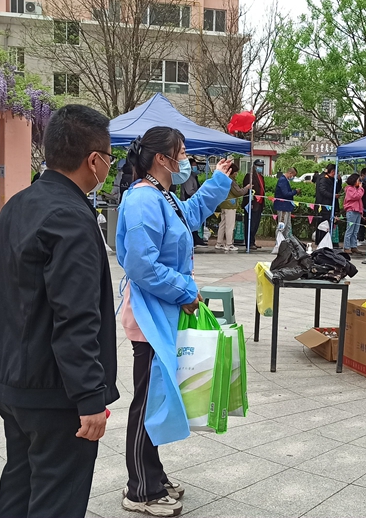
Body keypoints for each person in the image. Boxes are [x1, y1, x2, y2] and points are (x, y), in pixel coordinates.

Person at [0, 105, 118, 518]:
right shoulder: (72, 218)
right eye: (108, 159)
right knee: (56, 499)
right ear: (93, 161)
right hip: (55, 393)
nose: (108, 167)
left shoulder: (18, 204)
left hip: (11, 382)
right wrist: (90, 398)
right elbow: (76, 316)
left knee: (20, 484)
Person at [117, 127, 233, 516]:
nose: (186, 160)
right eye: (181, 153)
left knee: (158, 396)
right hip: (151, 317)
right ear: (162, 159)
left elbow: (191, 215)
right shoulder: (142, 199)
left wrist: (219, 181)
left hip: (164, 313)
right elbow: (141, 264)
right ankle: (140, 490)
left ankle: (153, 475)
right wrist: (184, 290)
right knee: (147, 401)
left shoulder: (162, 195)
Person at [217, 162, 250, 251]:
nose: (236, 174)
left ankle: (219, 243)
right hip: (230, 205)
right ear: (232, 172)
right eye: (235, 172)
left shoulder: (224, 179)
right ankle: (229, 244)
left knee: (222, 224)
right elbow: (238, 192)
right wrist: (246, 188)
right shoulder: (231, 181)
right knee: (230, 225)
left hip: (223, 204)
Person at [179, 158, 208, 248]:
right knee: (190, 220)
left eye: (196, 166)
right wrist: (199, 195)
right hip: (188, 200)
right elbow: (189, 191)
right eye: (194, 166)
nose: (196, 167)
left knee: (194, 220)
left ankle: (196, 239)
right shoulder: (188, 177)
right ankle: (194, 240)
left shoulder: (193, 176)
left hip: (193, 200)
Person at [243, 159, 266, 250]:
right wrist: (250, 202)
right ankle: (248, 242)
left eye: (261, 166)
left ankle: (252, 241)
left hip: (259, 204)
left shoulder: (261, 177)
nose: (260, 167)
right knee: (250, 224)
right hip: (252, 204)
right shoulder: (249, 176)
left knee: (255, 224)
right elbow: (247, 191)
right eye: (259, 166)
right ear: (254, 166)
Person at [315, 164, 340, 245]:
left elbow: (337, 189)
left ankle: (326, 241)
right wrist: (333, 196)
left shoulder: (331, 179)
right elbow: (322, 191)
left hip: (330, 205)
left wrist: (339, 181)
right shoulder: (323, 178)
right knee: (323, 224)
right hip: (324, 205)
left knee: (328, 224)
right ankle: (321, 241)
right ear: (332, 171)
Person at [273, 167, 300, 238]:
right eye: (293, 176)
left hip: (286, 206)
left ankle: (286, 240)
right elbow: (285, 194)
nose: (293, 177)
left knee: (287, 226)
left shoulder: (285, 180)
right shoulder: (282, 180)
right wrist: (295, 191)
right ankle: (279, 241)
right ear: (290, 173)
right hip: (283, 206)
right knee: (282, 225)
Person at [342, 173, 365, 254]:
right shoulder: (349, 189)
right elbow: (356, 196)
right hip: (351, 210)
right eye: (358, 180)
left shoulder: (356, 188)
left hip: (357, 211)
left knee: (355, 230)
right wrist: (361, 188)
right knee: (350, 230)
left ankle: (353, 246)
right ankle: (346, 247)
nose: (359, 182)